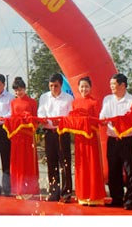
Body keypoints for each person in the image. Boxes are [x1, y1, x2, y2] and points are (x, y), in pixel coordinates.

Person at [60, 76, 106, 206]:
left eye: (86, 86)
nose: (84, 89)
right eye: (81, 86)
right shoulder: (75, 102)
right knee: (81, 166)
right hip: (80, 139)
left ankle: (94, 196)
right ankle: (83, 195)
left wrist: (86, 120)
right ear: (78, 88)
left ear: (90, 88)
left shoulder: (95, 102)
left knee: (92, 165)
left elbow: (97, 121)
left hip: (91, 138)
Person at [99, 73, 132, 210]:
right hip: (112, 139)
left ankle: (131, 199)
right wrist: (110, 122)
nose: (111, 87)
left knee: (130, 170)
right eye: (111, 85)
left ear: (122, 85)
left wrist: (118, 123)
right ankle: (117, 198)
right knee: (113, 170)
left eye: (114, 84)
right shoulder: (107, 99)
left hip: (126, 140)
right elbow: (103, 116)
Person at [37, 73, 74, 203]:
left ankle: (66, 193)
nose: (53, 88)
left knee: (64, 163)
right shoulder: (44, 97)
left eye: (56, 86)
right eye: (51, 86)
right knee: (51, 163)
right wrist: (44, 120)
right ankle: (53, 192)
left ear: (61, 85)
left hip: (62, 133)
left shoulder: (68, 98)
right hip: (49, 132)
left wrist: (62, 122)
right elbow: (40, 113)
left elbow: (70, 116)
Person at [6, 76, 39, 199]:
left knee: (28, 162)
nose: (18, 92)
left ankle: (29, 189)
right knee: (17, 163)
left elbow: (36, 120)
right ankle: (18, 189)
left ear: (25, 89)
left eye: (20, 90)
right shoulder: (13, 102)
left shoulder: (32, 102)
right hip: (17, 137)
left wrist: (28, 120)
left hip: (28, 136)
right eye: (16, 90)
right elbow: (12, 118)